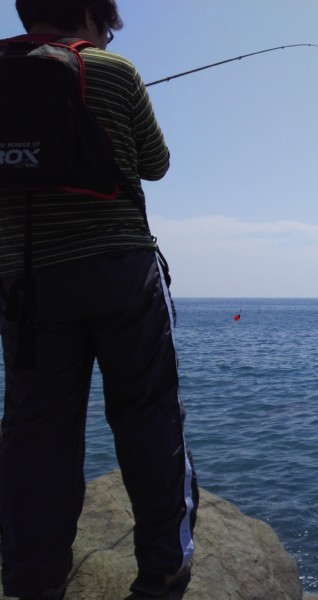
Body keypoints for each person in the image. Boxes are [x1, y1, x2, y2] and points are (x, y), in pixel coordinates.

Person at [0, 1, 198, 599]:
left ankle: (34, 581)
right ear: (89, 13)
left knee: (37, 435)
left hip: (26, 285)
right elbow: (157, 164)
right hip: (120, 276)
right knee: (148, 419)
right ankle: (164, 570)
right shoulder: (114, 71)